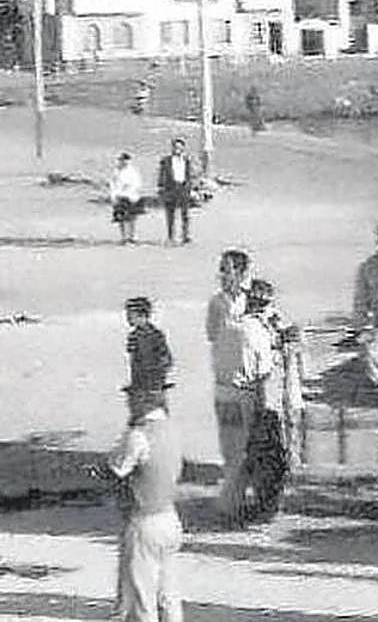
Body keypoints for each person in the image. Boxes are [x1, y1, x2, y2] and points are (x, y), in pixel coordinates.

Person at [87, 376, 183, 622]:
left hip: (144, 521)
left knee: (142, 596)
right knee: (169, 594)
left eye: (132, 398)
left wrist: (95, 472)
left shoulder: (138, 436)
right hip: (170, 517)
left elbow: (116, 469)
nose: (129, 403)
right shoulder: (172, 430)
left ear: (143, 400)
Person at [206, 248, 253, 525]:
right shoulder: (216, 302)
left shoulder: (253, 300)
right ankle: (233, 499)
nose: (223, 275)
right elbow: (212, 335)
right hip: (224, 382)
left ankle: (234, 502)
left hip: (248, 385)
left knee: (246, 443)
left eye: (228, 269)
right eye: (222, 269)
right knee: (229, 443)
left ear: (242, 273)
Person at [238, 279, 291, 523]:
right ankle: (266, 505)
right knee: (268, 452)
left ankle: (263, 506)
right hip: (268, 394)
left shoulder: (250, 326)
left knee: (259, 452)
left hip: (257, 394)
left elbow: (256, 367)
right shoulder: (263, 324)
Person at [124, 297, 173, 394]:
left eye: (131, 316)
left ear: (143, 316)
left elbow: (165, 358)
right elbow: (133, 361)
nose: (128, 319)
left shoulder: (156, 335)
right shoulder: (133, 336)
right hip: (139, 380)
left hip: (154, 380)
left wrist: (159, 378)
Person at [157, 138, 194, 245]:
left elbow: (189, 175)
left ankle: (185, 236)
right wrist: (161, 187)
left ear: (183, 148)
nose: (177, 149)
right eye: (175, 147)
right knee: (170, 214)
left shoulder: (186, 160)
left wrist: (190, 187)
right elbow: (161, 174)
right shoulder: (166, 160)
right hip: (171, 188)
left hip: (183, 188)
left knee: (185, 214)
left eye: (179, 147)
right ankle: (171, 236)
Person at [109, 153, 144, 245]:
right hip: (119, 196)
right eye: (120, 160)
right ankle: (124, 237)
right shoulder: (116, 171)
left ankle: (132, 237)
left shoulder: (132, 172)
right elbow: (113, 184)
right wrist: (114, 195)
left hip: (130, 197)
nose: (121, 162)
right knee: (120, 218)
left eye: (123, 160)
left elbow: (136, 184)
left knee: (130, 218)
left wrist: (131, 193)